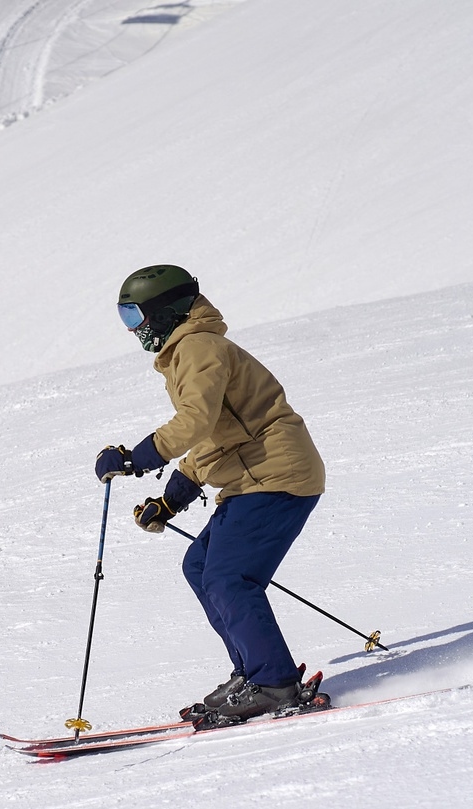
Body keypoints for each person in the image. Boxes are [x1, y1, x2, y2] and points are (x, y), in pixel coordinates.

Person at [93, 264, 325, 723]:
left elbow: (194, 423)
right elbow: (213, 437)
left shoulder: (198, 347)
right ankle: (252, 672)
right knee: (200, 565)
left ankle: (274, 684)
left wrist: (134, 458)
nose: (134, 329)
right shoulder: (188, 353)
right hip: (251, 477)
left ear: (164, 311)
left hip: (277, 474)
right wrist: (171, 499)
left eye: (134, 316)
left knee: (228, 578)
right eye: (125, 318)